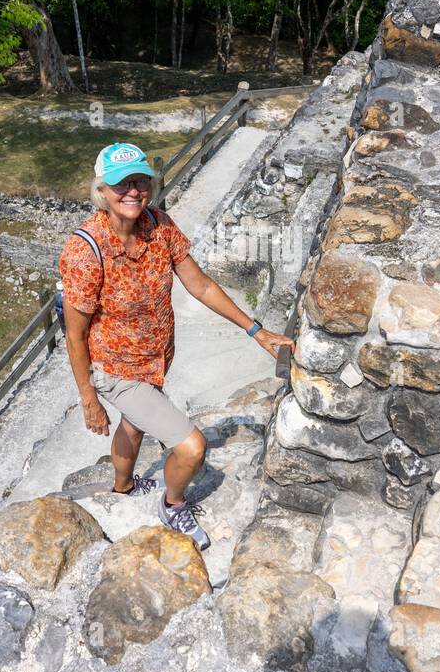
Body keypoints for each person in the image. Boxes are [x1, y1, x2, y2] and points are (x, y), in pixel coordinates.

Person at [58, 142, 292, 549]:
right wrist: (88, 398)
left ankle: (124, 487)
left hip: (154, 358)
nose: (133, 191)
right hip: (116, 370)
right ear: (102, 192)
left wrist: (258, 332)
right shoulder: (85, 251)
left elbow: (200, 285)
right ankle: (173, 503)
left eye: (140, 181)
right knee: (192, 446)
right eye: (121, 185)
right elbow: (75, 335)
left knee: (133, 425)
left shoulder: (159, 225)